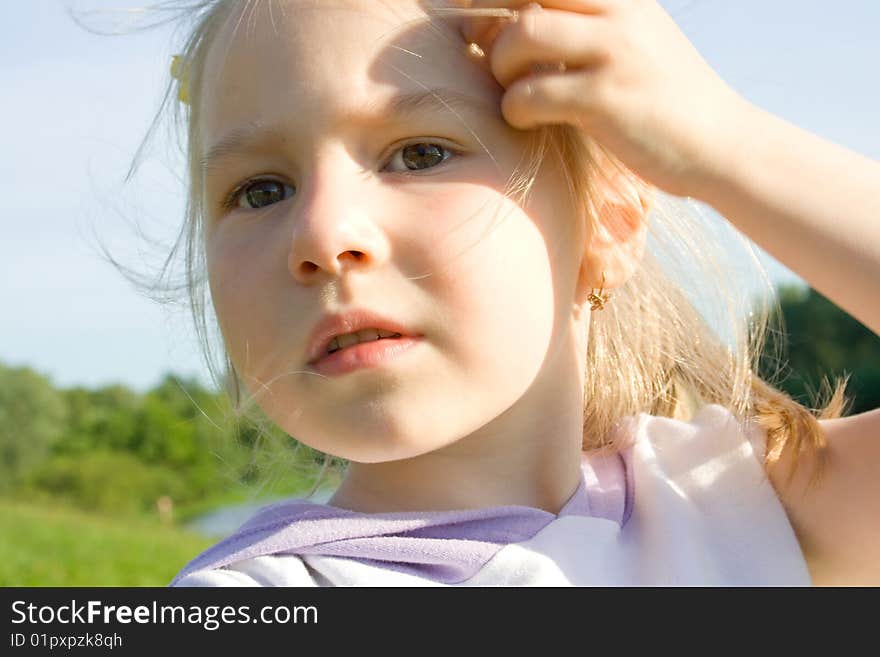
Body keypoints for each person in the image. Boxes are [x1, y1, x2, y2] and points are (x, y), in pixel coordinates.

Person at [148, 0, 880, 586]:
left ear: (609, 223)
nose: (321, 233)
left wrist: (727, 143)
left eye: (420, 153)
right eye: (261, 189)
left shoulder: (728, 503)